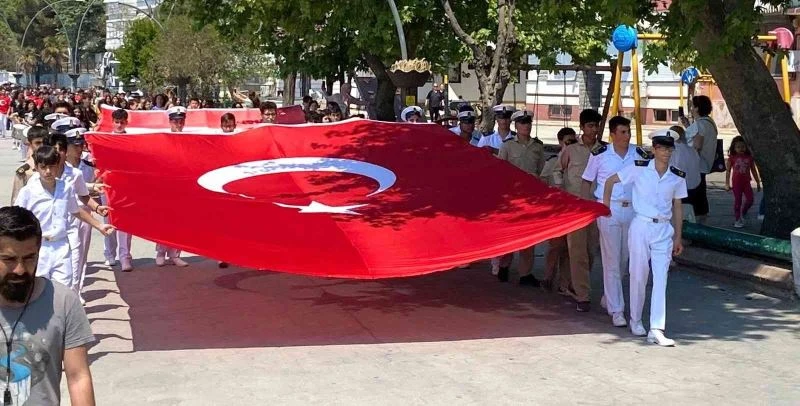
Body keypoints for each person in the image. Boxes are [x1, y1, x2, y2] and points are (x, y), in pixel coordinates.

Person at [0, 206, 97, 405]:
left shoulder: (63, 301)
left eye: (29, 258)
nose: (20, 269)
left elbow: (78, 377)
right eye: (9, 259)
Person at [603, 128, 687, 346]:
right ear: (654, 149)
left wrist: (678, 236)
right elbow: (610, 181)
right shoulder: (639, 168)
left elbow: (678, 206)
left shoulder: (676, 176)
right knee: (638, 275)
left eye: (669, 149)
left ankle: (656, 328)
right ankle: (636, 319)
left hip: (663, 230)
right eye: (662, 148)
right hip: (641, 225)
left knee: (661, 279)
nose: (666, 153)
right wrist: (606, 208)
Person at [14, 146, 114, 286]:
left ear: (58, 166)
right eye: (43, 167)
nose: (48, 171)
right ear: (36, 167)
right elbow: (17, 217)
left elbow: (76, 210)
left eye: (51, 167)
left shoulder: (66, 188)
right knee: (39, 289)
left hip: (61, 246)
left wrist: (99, 225)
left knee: (64, 287)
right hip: (39, 247)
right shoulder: (28, 192)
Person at [581, 116, 640, 327]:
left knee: (624, 259)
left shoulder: (638, 154)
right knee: (611, 259)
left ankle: (609, 297)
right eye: (622, 132)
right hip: (609, 209)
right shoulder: (600, 154)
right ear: (613, 134)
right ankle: (617, 310)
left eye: (628, 132)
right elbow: (587, 181)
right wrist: (589, 208)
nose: (627, 136)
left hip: (632, 209)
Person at [560, 109, 602, 312]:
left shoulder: (603, 151)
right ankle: (582, 295)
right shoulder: (571, 150)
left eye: (596, 126)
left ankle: (572, 284)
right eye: (590, 126)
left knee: (590, 251)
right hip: (575, 209)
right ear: (582, 127)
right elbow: (557, 171)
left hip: (595, 207)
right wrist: (562, 196)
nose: (594, 130)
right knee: (577, 253)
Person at [497, 110, 544, 286]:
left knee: (529, 235)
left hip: (531, 197)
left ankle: (526, 273)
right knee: (510, 234)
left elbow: (541, 170)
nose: (526, 126)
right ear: (516, 126)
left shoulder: (538, 147)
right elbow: (500, 171)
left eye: (528, 123)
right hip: (512, 197)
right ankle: (504, 266)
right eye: (523, 123)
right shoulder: (507, 146)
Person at [541, 128, 576, 294]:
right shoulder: (552, 162)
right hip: (557, 211)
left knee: (570, 249)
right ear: (561, 142)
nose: (571, 145)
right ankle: (548, 277)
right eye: (568, 142)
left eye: (574, 142)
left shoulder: (578, 162)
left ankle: (565, 283)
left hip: (573, 211)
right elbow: (543, 183)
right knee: (555, 247)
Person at [154, 107, 190, 267]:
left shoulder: (189, 140)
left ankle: (175, 254)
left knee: (180, 222)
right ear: (170, 122)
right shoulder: (163, 139)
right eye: (176, 121)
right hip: (166, 185)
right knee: (164, 221)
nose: (179, 124)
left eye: (181, 121)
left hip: (182, 185)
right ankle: (161, 252)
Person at [102, 109, 135, 272]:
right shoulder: (104, 140)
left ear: (126, 122)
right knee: (108, 221)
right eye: (117, 122)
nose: (120, 125)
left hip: (125, 187)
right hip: (108, 186)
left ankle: (125, 256)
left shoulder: (132, 140)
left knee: (125, 223)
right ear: (112, 122)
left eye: (122, 122)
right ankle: (110, 254)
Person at [683, 95, 718, 223]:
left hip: (695, 166)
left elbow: (697, 145)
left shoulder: (700, 124)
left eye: (693, 106)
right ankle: (702, 221)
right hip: (704, 165)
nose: (691, 108)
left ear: (697, 108)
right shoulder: (709, 123)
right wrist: (688, 126)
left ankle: (695, 224)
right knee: (701, 195)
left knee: (694, 196)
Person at [725, 136, 761, 228]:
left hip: (746, 183)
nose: (741, 149)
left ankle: (743, 212)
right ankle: (737, 219)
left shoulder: (749, 158)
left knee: (750, 200)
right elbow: (728, 171)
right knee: (738, 201)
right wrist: (727, 183)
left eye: (743, 147)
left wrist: (758, 182)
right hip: (736, 183)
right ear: (734, 148)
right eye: (738, 147)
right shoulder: (732, 158)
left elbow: (753, 170)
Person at [668, 126, 701, 222]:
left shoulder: (672, 151)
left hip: (678, 190)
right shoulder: (692, 150)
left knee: (676, 218)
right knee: (689, 216)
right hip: (694, 187)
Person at [11, 127, 47, 204]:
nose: (42, 146)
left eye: (45, 142)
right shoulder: (24, 171)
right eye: (38, 143)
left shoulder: (56, 166)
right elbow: (16, 200)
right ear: (30, 144)